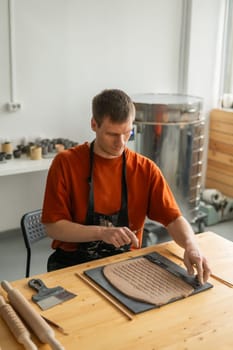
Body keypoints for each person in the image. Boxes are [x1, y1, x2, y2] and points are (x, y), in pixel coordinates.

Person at [42, 88, 211, 284]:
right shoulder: (66, 163)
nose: (120, 143)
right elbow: (53, 227)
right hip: (71, 263)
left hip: (125, 263)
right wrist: (102, 232)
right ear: (93, 124)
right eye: (112, 134)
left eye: (127, 133)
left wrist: (191, 245)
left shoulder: (145, 169)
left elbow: (173, 219)